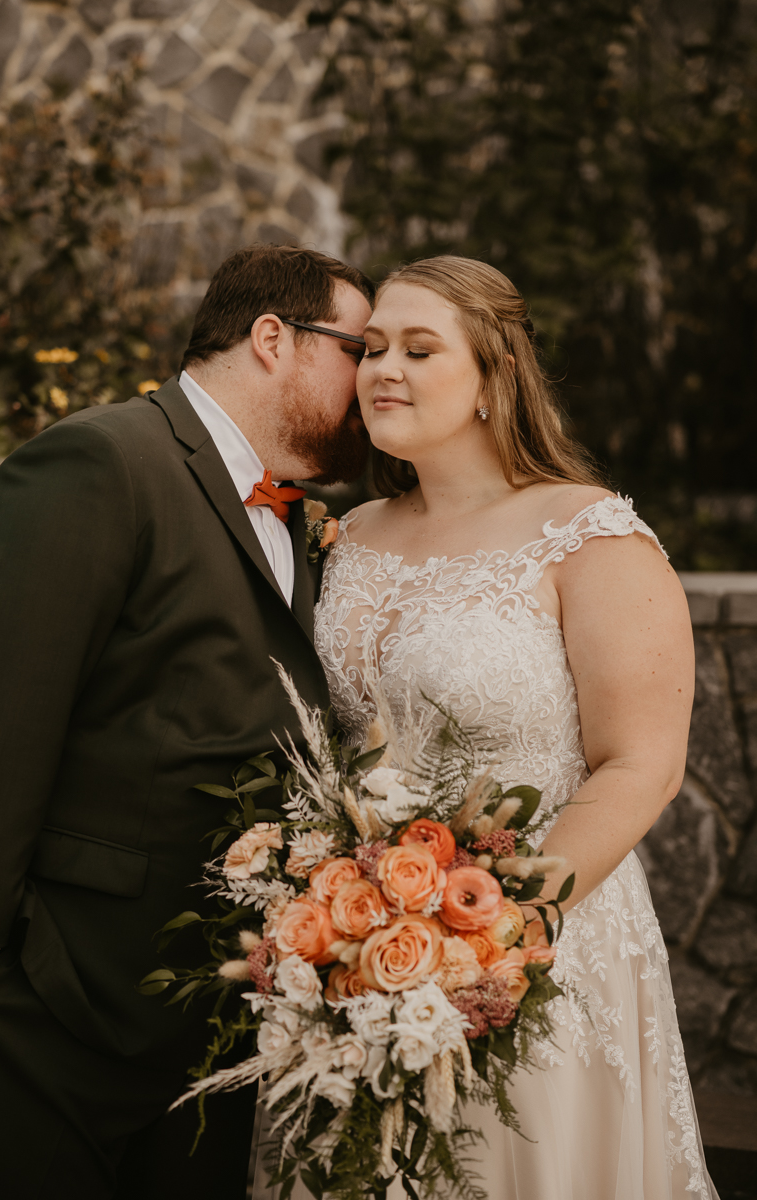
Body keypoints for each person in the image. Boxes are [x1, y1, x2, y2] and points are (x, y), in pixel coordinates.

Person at [0, 243, 373, 1199]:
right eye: (360, 347)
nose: (376, 377)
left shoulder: (305, 516)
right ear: (275, 338)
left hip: (214, 1016)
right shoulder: (101, 461)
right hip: (53, 1009)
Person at [308, 256, 717, 1199]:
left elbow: (642, 764)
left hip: (542, 936)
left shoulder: (587, 534)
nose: (382, 371)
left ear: (494, 376)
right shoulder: (349, 532)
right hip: (365, 942)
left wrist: (503, 932)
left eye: (419, 348)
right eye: (371, 350)